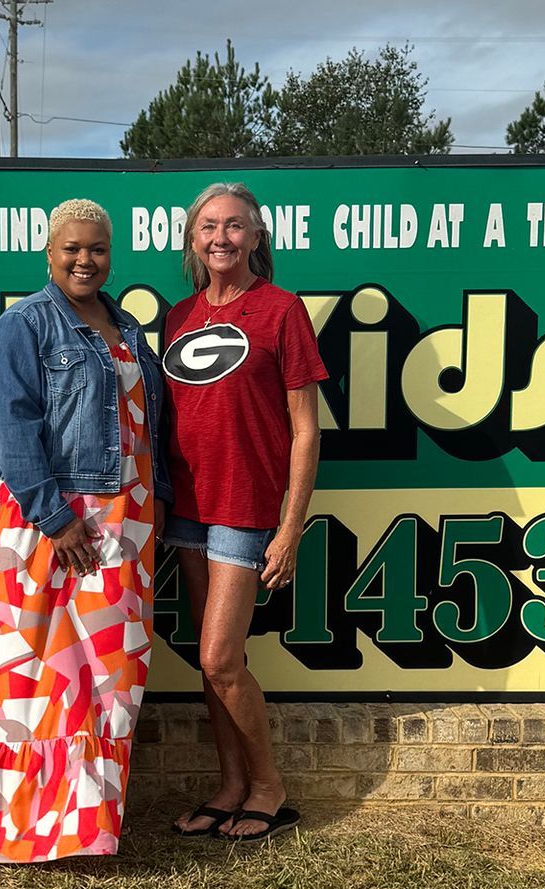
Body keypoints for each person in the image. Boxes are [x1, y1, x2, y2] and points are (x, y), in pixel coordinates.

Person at [0, 198, 172, 863]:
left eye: (98, 249)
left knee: (109, 676)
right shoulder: (23, 324)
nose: (86, 260)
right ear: (49, 253)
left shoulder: (127, 326)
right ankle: (20, 831)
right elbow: (11, 429)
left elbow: (147, 428)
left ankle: (88, 829)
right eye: (72, 249)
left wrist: (158, 502)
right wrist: (55, 519)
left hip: (123, 523)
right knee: (28, 673)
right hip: (46, 523)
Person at [163, 182, 326, 842]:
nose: (221, 237)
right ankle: (231, 785)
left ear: (256, 237)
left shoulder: (281, 310)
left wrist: (290, 527)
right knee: (211, 663)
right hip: (187, 508)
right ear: (192, 240)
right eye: (208, 226)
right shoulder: (179, 316)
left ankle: (268, 786)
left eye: (234, 225)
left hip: (244, 506)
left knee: (219, 658)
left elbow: (307, 429)